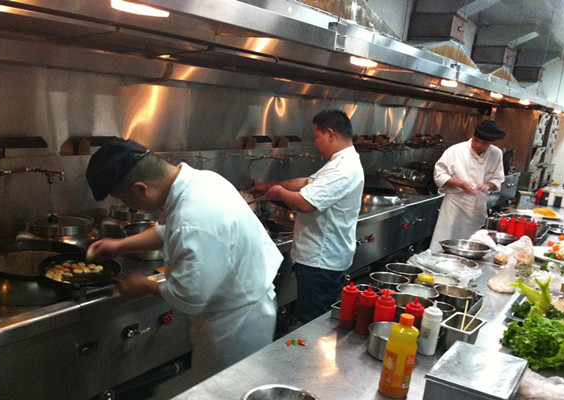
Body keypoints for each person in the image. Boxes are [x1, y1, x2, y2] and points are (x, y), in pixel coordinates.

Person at [85, 139, 283, 384]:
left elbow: (190, 297)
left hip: (234, 325)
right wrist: (120, 245)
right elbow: (167, 230)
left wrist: (144, 285)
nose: (129, 207)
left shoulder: (193, 217)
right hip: (242, 306)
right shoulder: (202, 180)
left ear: (140, 188)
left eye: (125, 200)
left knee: (223, 391)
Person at [249, 109, 364, 324]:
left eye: (316, 137)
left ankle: (309, 346)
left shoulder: (342, 169)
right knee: (314, 317)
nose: (315, 143)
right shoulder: (341, 162)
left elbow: (305, 203)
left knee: (312, 322)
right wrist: (267, 185)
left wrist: (278, 193)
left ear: (330, 134)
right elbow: (306, 182)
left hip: (321, 262)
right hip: (322, 259)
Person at [428, 119, 506, 252]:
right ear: (472, 134)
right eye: (476, 140)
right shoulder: (456, 150)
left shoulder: (496, 153)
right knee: (444, 242)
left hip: (477, 206)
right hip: (454, 204)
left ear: (491, 142)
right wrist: (461, 184)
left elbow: (497, 179)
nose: (478, 145)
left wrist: (487, 186)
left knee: (474, 243)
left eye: (484, 143)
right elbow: (439, 175)